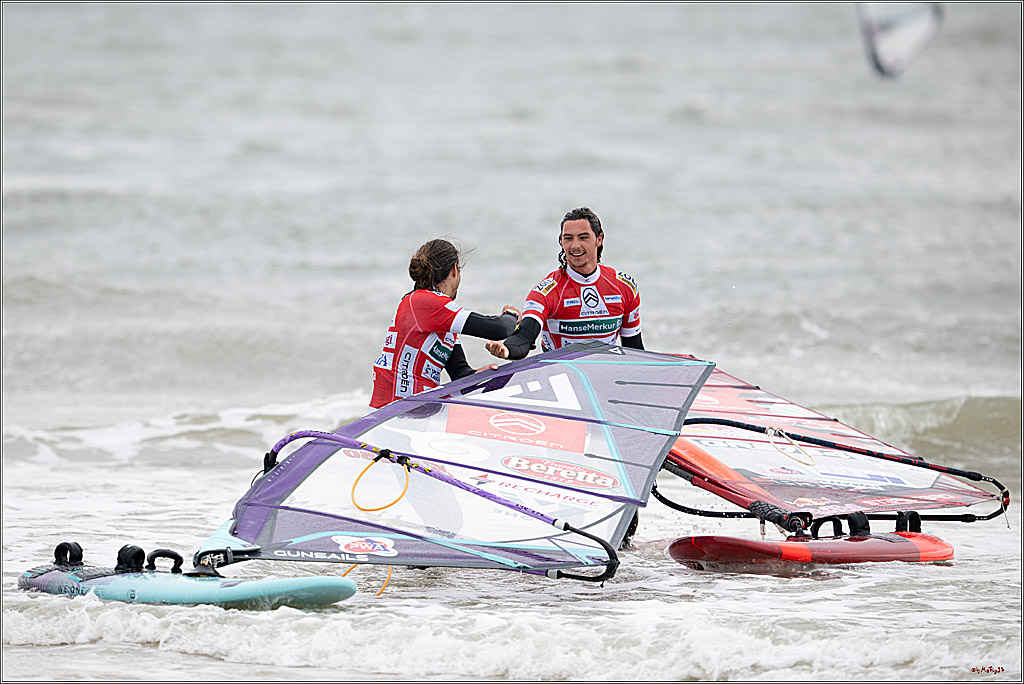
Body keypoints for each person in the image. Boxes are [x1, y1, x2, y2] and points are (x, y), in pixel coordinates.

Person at [484, 206, 643, 547]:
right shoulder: (547, 291)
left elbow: (636, 353)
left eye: (583, 237)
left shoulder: (623, 287)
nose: (575, 245)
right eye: (568, 238)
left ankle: (625, 554)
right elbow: (525, 337)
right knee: (571, 480)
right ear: (560, 242)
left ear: (599, 240)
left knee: (623, 485)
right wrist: (507, 350)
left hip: (609, 396)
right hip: (564, 398)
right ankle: (565, 543)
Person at [370, 238, 520, 409]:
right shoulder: (424, 302)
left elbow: (459, 373)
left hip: (417, 409)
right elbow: (500, 328)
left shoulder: (438, 317)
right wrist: (511, 315)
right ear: (455, 270)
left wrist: (478, 375)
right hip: (393, 411)